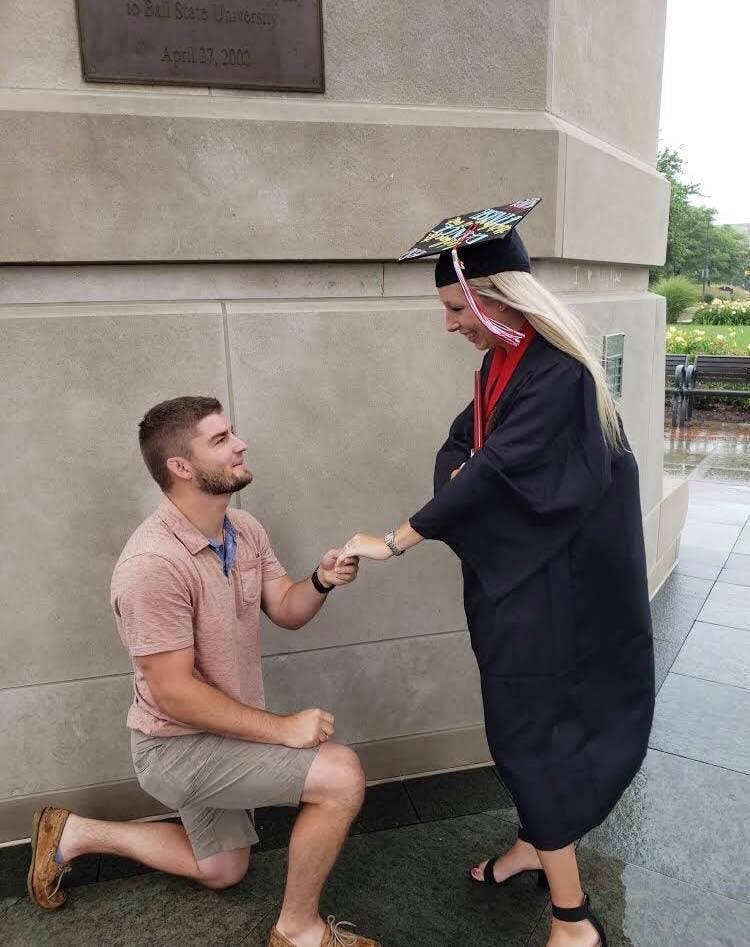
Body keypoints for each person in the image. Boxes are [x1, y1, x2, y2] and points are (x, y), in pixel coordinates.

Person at [338, 202, 655, 947]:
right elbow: (464, 450)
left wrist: (402, 536)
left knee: (529, 733)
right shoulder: (502, 364)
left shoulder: (559, 373)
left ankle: (573, 920)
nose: (451, 322)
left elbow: (499, 468)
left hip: (553, 595)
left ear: (496, 293)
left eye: (455, 305)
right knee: (517, 726)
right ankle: (532, 843)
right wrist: (467, 476)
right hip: (519, 581)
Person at [27, 396, 380, 947]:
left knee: (223, 869)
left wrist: (321, 580)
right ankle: (299, 931)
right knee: (340, 776)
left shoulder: (243, 528)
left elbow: (285, 609)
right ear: (181, 467)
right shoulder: (152, 565)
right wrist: (282, 729)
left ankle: (73, 833)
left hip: (220, 736)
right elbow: (174, 695)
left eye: (232, 432)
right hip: (175, 746)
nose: (240, 444)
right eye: (220, 440)